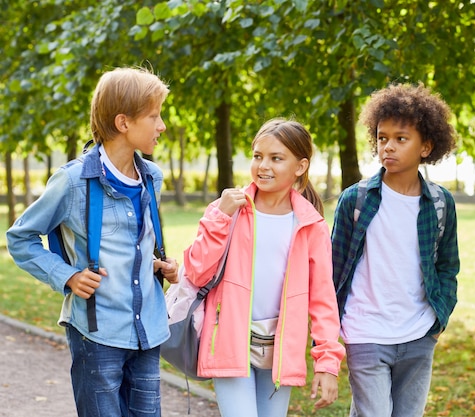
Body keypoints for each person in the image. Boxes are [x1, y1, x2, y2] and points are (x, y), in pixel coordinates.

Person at [6, 66, 179, 417]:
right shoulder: (72, 182)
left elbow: (138, 243)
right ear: (123, 122)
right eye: (154, 116)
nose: (161, 126)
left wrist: (161, 263)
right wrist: (67, 275)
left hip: (148, 329)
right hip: (97, 334)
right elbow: (20, 237)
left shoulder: (152, 177)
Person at [183, 118, 345, 417]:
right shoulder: (227, 210)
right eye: (258, 156)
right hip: (230, 340)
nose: (263, 166)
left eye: (276, 158)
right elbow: (196, 270)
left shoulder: (311, 226)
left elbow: (323, 301)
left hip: (279, 352)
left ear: (300, 166)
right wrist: (221, 216)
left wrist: (327, 362)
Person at [331, 83, 460, 417]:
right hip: (365, 332)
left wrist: (438, 318)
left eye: (401, 139)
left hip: (418, 333)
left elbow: (448, 266)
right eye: (382, 137)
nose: (388, 146)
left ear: (426, 146)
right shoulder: (355, 200)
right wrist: (332, 330)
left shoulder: (440, 203)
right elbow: (334, 269)